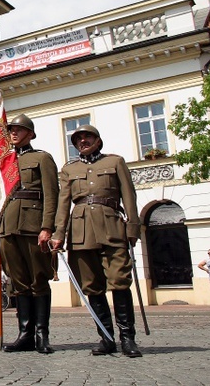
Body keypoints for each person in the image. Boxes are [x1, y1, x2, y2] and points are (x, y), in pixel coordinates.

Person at [51, 124, 143, 358]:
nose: (83, 141)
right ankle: (106, 337)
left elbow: (129, 195)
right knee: (91, 286)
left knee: (120, 280)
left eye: (88, 137)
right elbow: (63, 204)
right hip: (81, 231)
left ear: (98, 140)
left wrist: (133, 227)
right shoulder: (69, 170)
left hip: (112, 227)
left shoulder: (115, 162)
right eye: (78, 139)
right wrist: (58, 234)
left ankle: (127, 337)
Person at [0, 114, 59, 354]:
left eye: (19, 129)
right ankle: (25, 334)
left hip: (32, 225)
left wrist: (47, 227)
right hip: (7, 227)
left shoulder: (42, 158)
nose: (14, 133)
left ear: (31, 133)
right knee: (18, 283)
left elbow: (51, 195)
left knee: (38, 280)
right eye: (11, 130)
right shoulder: (1, 163)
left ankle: (42, 334)